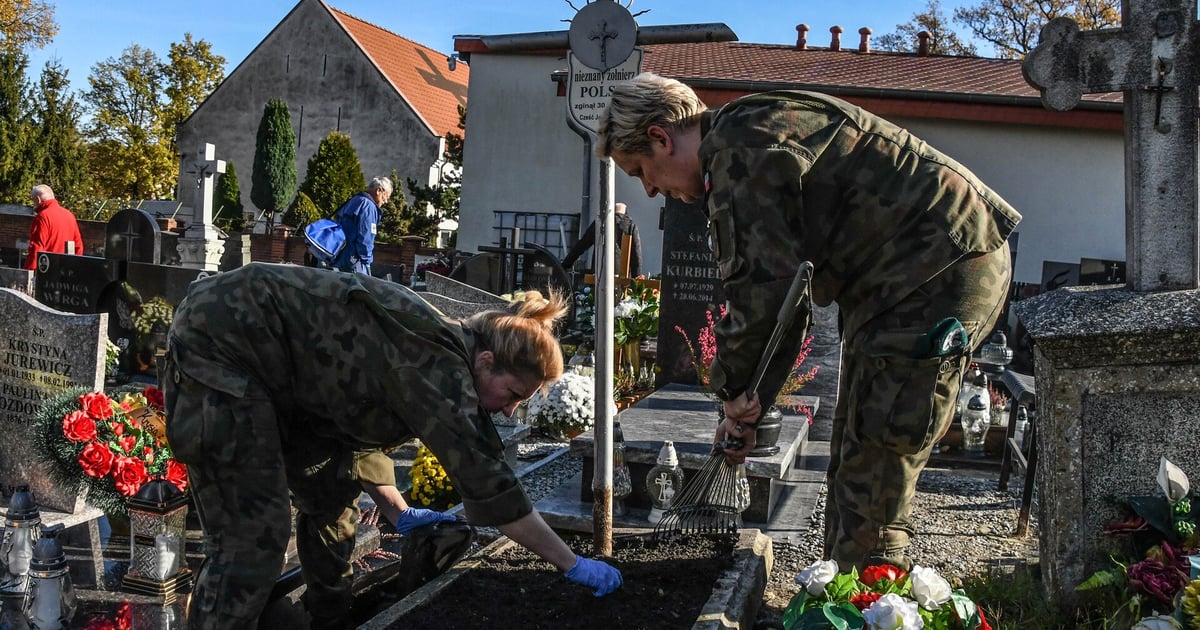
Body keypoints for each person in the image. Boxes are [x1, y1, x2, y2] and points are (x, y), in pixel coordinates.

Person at [596, 73, 1020, 573]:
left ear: (660, 138)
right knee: (854, 442)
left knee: (880, 456)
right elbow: (784, 292)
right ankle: (834, 594)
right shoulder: (741, 133)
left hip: (938, 269)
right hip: (905, 277)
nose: (648, 189)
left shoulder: (739, 151)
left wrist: (736, 395)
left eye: (640, 170)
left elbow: (763, 294)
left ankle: (873, 608)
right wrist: (749, 399)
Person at [163, 263, 622, 629]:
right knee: (253, 538)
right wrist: (571, 563)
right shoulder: (439, 365)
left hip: (279, 371)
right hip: (221, 345)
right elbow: (491, 485)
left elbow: (354, 423)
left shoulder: (437, 351)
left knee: (330, 498)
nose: (507, 411)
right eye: (513, 395)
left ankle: (327, 620)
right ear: (486, 362)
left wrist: (398, 510)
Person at [561, 202, 643, 277]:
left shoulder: (599, 223)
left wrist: (566, 264)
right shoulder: (631, 226)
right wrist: (636, 279)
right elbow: (636, 254)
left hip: (599, 272)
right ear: (626, 213)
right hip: (621, 274)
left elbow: (581, 245)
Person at [330, 176, 392, 275]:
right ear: (379, 191)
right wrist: (367, 261)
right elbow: (365, 238)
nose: (386, 201)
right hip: (354, 261)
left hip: (340, 256)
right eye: (386, 196)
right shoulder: (369, 206)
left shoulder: (355, 200)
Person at [23, 184, 83, 270]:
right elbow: (78, 246)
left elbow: (37, 247)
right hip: (66, 270)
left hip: (46, 271)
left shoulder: (42, 217)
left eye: (33, 200)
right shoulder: (69, 215)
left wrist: (28, 271)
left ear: (38, 199)